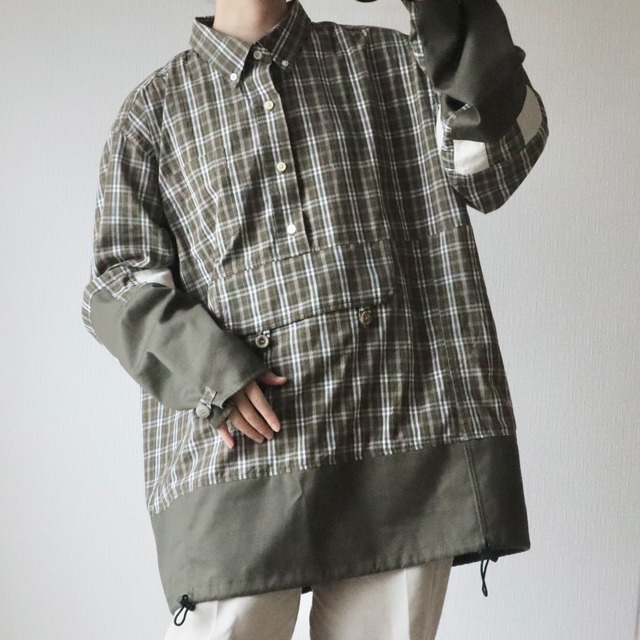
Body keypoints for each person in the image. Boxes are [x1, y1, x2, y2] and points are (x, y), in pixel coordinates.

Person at [81, 0, 549, 637]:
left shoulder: (395, 63)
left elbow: (499, 161)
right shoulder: (153, 114)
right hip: (242, 461)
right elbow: (116, 285)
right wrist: (209, 368)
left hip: (406, 436)